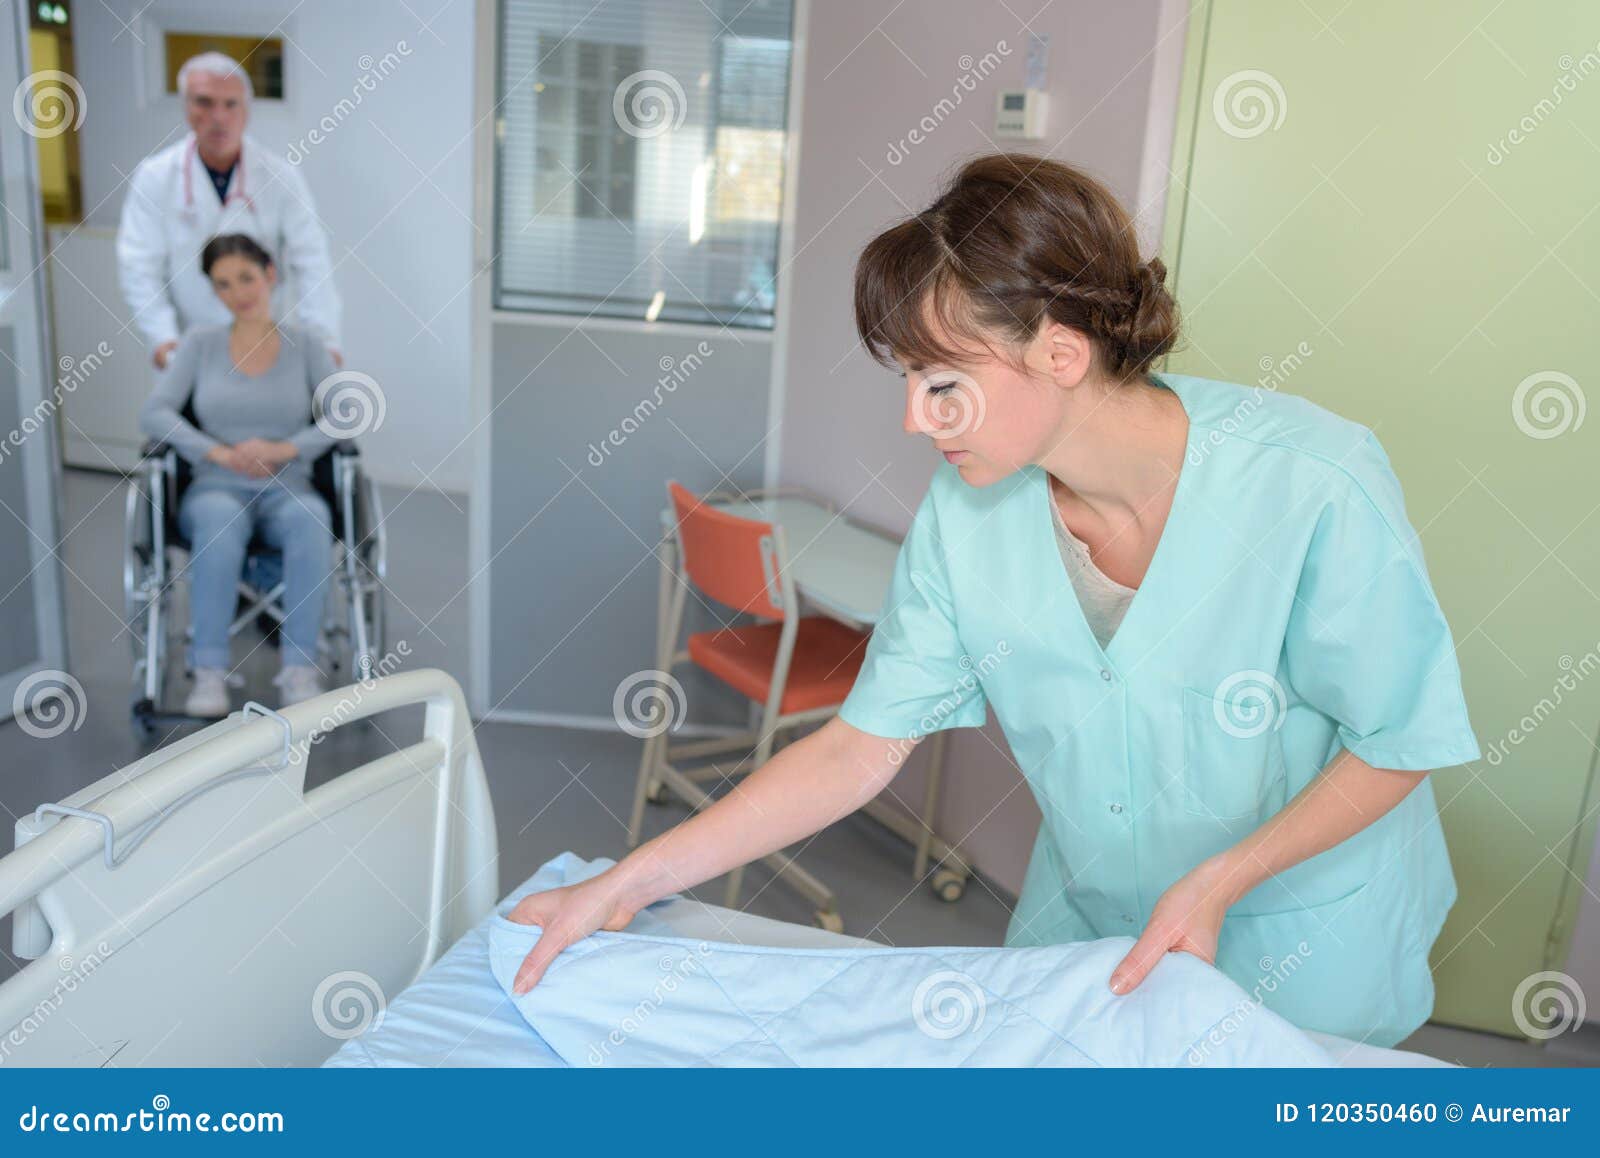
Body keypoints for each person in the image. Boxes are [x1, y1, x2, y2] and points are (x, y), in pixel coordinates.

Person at [505, 154, 1480, 1048]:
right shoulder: (968, 517)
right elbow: (859, 747)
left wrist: (1223, 879)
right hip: (1088, 931)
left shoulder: (1311, 481)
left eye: (941, 383)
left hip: (1299, 945)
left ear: (1059, 354)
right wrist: (626, 884)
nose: (912, 418)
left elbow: (1401, 737)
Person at [139, 234, 338, 717]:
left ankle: (299, 669)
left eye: (246, 278)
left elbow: (340, 416)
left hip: (288, 484)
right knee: (219, 524)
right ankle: (208, 671)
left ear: (270, 274)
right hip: (215, 486)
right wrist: (219, 454)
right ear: (214, 291)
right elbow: (156, 412)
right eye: (223, 284)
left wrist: (284, 447)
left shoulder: (307, 344)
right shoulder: (200, 345)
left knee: (312, 519)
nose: (238, 292)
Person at [117, 52, 342, 373]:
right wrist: (161, 336)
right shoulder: (154, 177)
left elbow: (311, 261)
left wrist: (324, 341)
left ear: (246, 110)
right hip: (187, 347)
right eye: (204, 103)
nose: (218, 116)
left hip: (265, 344)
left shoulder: (280, 177)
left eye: (230, 104)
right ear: (186, 107)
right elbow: (139, 265)